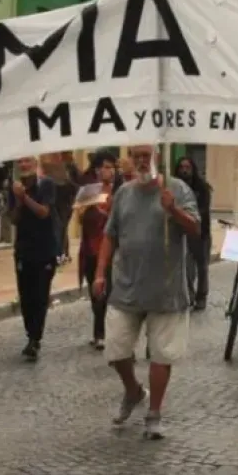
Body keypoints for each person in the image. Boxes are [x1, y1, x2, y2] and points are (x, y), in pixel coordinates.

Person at [92, 144, 199, 439]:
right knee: (115, 348)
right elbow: (110, 236)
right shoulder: (124, 193)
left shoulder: (178, 188)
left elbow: (195, 230)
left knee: (161, 355)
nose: (141, 161)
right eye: (136, 155)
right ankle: (133, 391)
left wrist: (173, 209)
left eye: (146, 155)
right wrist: (100, 274)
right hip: (126, 287)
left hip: (166, 291)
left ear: (157, 156)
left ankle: (154, 414)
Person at [9, 156, 58, 361]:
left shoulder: (46, 184)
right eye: (20, 162)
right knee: (26, 297)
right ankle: (30, 334)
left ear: (35, 163)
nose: (23, 165)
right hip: (23, 250)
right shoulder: (14, 188)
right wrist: (18, 199)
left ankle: (35, 339)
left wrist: (25, 198)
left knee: (40, 296)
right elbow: (12, 219)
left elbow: (43, 212)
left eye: (27, 161)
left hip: (45, 249)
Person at [79, 152, 116, 349]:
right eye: (106, 167)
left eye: (112, 167)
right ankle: (98, 331)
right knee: (95, 294)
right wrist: (87, 209)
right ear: (97, 170)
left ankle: (104, 333)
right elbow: (80, 218)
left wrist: (106, 212)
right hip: (90, 249)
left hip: (111, 250)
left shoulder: (119, 192)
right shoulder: (89, 192)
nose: (109, 171)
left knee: (108, 294)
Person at [176, 156, 213, 311]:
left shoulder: (202, 187)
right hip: (184, 232)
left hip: (201, 233)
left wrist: (189, 215)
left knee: (202, 267)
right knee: (187, 267)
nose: (185, 170)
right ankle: (189, 295)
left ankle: (201, 296)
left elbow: (203, 209)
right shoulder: (175, 186)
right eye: (182, 167)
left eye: (188, 167)